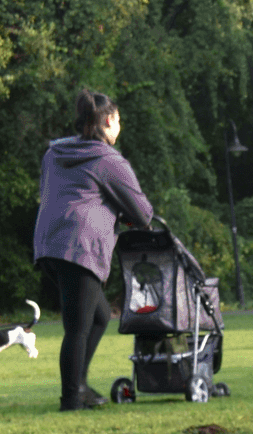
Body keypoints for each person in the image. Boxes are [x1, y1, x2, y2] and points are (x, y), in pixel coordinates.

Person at [31, 89, 154, 411]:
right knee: (78, 328)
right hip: (79, 246)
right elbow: (143, 214)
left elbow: (59, 193)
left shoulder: (54, 154)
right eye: (119, 120)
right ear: (110, 120)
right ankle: (71, 398)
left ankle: (81, 387)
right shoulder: (109, 161)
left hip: (49, 244)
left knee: (98, 316)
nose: (120, 126)